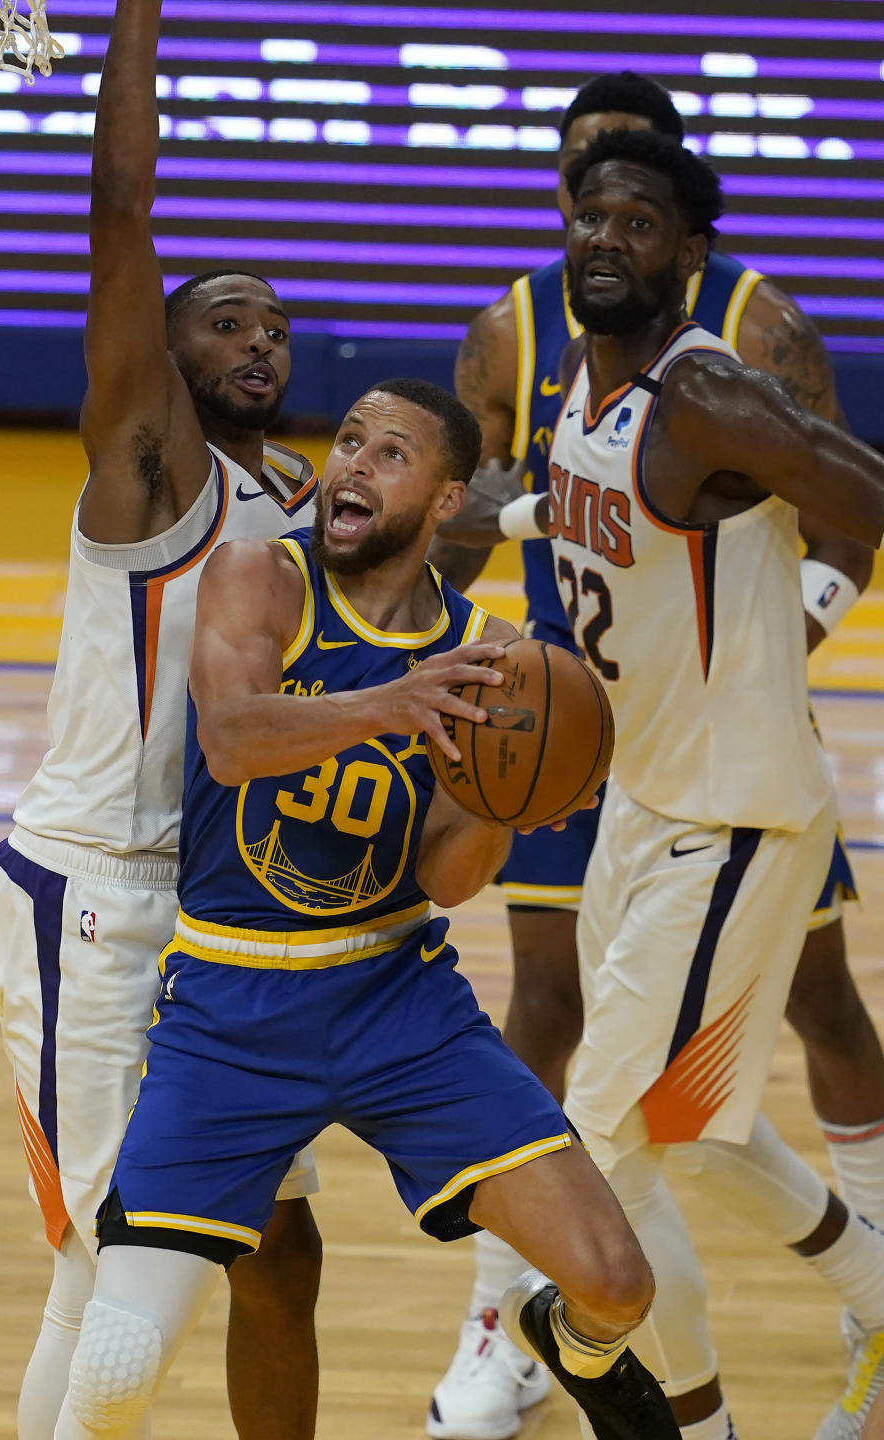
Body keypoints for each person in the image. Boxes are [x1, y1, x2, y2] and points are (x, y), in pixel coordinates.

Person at [50, 376, 684, 1440]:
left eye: (390, 455)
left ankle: (564, 1347)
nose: (351, 463)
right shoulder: (261, 577)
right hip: (229, 1010)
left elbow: (446, 878)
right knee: (115, 1371)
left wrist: (502, 803)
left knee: (619, 1283)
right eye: (349, 440)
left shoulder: (489, 651)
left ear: (446, 501)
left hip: (399, 1003)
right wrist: (400, 702)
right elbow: (235, 738)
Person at [428, 70, 882, 1440]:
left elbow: (854, 490)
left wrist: (793, 608)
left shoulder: (705, 394)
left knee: (590, 1151)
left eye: (638, 223)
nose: (605, 240)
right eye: (591, 218)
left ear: (688, 251)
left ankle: (693, 1424)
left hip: (733, 817)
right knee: (699, 1127)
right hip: (641, 802)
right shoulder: (582, 387)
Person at [0, 1, 322, 1436]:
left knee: (280, 1258)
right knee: (124, 1266)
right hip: (98, 904)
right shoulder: (149, 473)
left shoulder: (290, 500)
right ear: (159, 354)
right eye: (222, 318)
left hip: (226, 929)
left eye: (275, 324)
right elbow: (122, 209)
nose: (259, 339)